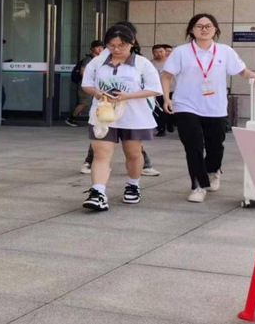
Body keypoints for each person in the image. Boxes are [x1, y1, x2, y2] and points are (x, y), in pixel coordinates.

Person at [161, 13, 255, 203]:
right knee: (193, 146)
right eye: (199, 26)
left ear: (215, 29)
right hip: (186, 105)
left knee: (215, 146)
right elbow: (166, 76)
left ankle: (214, 169)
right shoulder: (181, 52)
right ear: (192, 30)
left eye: (208, 26)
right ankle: (198, 186)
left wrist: (253, 76)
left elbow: (241, 70)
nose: (204, 29)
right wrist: (167, 98)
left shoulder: (225, 51)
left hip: (216, 106)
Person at [80, 25, 162, 211]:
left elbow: (155, 89)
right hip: (103, 114)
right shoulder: (97, 62)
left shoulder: (142, 63)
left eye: (121, 45)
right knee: (101, 154)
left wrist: (128, 96)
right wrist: (97, 93)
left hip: (134, 116)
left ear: (132, 43)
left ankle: (133, 184)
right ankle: (98, 193)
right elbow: (87, 84)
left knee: (133, 153)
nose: (116, 49)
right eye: (111, 45)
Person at [66, 40, 105, 127]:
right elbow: (82, 72)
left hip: (94, 85)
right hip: (87, 85)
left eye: (102, 47)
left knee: (94, 102)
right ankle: (71, 118)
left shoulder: (99, 59)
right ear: (92, 49)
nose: (100, 49)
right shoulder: (88, 59)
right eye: (97, 47)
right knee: (84, 102)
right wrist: (89, 82)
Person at [151, 45, 174, 136]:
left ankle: (170, 124)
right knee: (160, 110)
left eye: (161, 52)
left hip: (171, 89)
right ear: (153, 53)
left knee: (170, 108)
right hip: (157, 91)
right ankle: (161, 128)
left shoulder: (171, 63)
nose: (159, 54)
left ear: (165, 52)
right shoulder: (150, 64)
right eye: (156, 52)